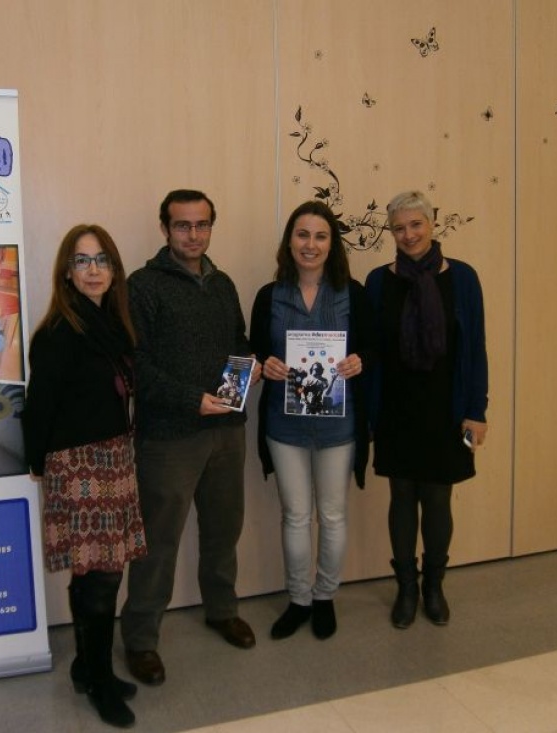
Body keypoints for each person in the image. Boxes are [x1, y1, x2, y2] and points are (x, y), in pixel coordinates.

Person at [120, 189, 261, 686]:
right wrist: (190, 399)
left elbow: (238, 343)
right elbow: (136, 365)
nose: (193, 235)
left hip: (226, 430)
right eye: (183, 226)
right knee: (158, 543)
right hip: (170, 437)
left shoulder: (222, 284)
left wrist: (249, 368)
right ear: (165, 229)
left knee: (224, 529)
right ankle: (140, 638)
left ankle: (221, 609)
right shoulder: (142, 286)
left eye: (202, 225)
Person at [21, 224, 146, 728]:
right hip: (79, 467)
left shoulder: (112, 325)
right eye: (81, 261)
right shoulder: (57, 332)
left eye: (101, 261)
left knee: (96, 572)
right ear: (66, 273)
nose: (92, 270)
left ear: (114, 270)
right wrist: (40, 467)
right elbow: (39, 407)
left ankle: (85, 665)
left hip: (114, 458)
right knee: (100, 576)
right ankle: (97, 679)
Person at [249, 200, 376, 641]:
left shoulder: (353, 293)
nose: (311, 244)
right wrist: (266, 364)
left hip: (338, 426)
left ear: (332, 244)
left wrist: (361, 362)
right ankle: (298, 599)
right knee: (296, 515)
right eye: (302, 235)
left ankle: (324, 597)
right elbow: (252, 352)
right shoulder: (269, 295)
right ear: (289, 241)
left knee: (334, 516)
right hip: (284, 425)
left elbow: (373, 350)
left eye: (320, 236)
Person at [364, 190, 489, 629]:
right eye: (399, 228)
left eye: (415, 224)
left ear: (432, 223)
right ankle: (406, 587)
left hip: (446, 408)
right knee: (401, 497)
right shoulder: (379, 280)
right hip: (397, 407)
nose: (408, 234)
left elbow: (475, 348)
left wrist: (477, 409)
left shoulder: (463, 278)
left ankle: (434, 585)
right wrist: (370, 414)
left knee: (437, 498)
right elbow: (372, 350)